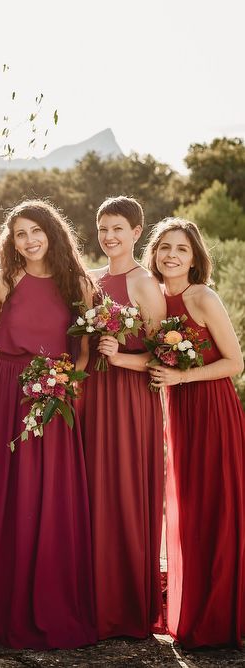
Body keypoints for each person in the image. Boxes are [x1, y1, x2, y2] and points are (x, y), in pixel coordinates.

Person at [0, 200, 96, 648]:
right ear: (11, 240)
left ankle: (51, 602)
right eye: (20, 234)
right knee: (8, 491)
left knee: (51, 493)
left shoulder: (76, 281)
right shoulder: (4, 279)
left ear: (52, 233)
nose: (29, 240)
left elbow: (83, 346)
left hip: (57, 392)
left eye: (36, 231)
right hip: (7, 390)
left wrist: (70, 385)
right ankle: (3, 608)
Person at [145, 217, 245, 648]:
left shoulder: (202, 297)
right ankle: (196, 605)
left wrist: (182, 379)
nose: (171, 255)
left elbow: (235, 363)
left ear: (194, 257)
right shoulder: (153, 299)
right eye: (165, 247)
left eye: (181, 249)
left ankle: (221, 615)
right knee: (187, 506)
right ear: (153, 253)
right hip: (180, 411)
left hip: (212, 407)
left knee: (215, 503)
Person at [77, 196, 166, 639]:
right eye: (103, 229)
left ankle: (126, 608)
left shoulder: (144, 282)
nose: (109, 237)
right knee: (94, 492)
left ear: (136, 233)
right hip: (93, 395)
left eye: (118, 229)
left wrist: (122, 359)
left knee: (125, 491)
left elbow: (163, 353)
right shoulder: (92, 280)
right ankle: (95, 599)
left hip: (130, 400)